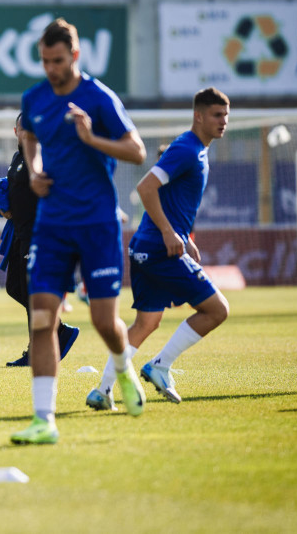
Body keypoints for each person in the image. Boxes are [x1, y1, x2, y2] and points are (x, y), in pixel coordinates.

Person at [11, 18, 147, 445]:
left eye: (58, 61)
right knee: (41, 319)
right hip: (52, 225)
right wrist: (33, 171)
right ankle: (43, 420)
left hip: (97, 224)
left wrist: (91, 138)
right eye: (45, 61)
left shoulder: (98, 97)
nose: (51, 69)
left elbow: (136, 151)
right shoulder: (34, 97)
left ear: (75, 56)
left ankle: (123, 367)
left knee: (104, 321)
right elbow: (30, 137)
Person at [95, 88, 231, 406]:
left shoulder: (196, 149)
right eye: (216, 115)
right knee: (217, 310)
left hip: (148, 246)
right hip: (160, 249)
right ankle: (160, 366)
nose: (223, 121)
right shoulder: (186, 148)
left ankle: (101, 391)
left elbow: (169, 199)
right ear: (198, 116)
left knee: (146, 323)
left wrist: (184, 237)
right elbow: (146, 187)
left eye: (226, 115)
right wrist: (171, 234)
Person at [2, 113, 80, 368]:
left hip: (38, 234)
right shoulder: (17, 158)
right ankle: (60, 330)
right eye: (24, 129)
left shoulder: (44, 158)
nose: (27, 133)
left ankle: (36, 351)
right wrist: (4, 207)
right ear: (16, 131)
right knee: (14, 287)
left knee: (31, 292)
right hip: (19, 232)